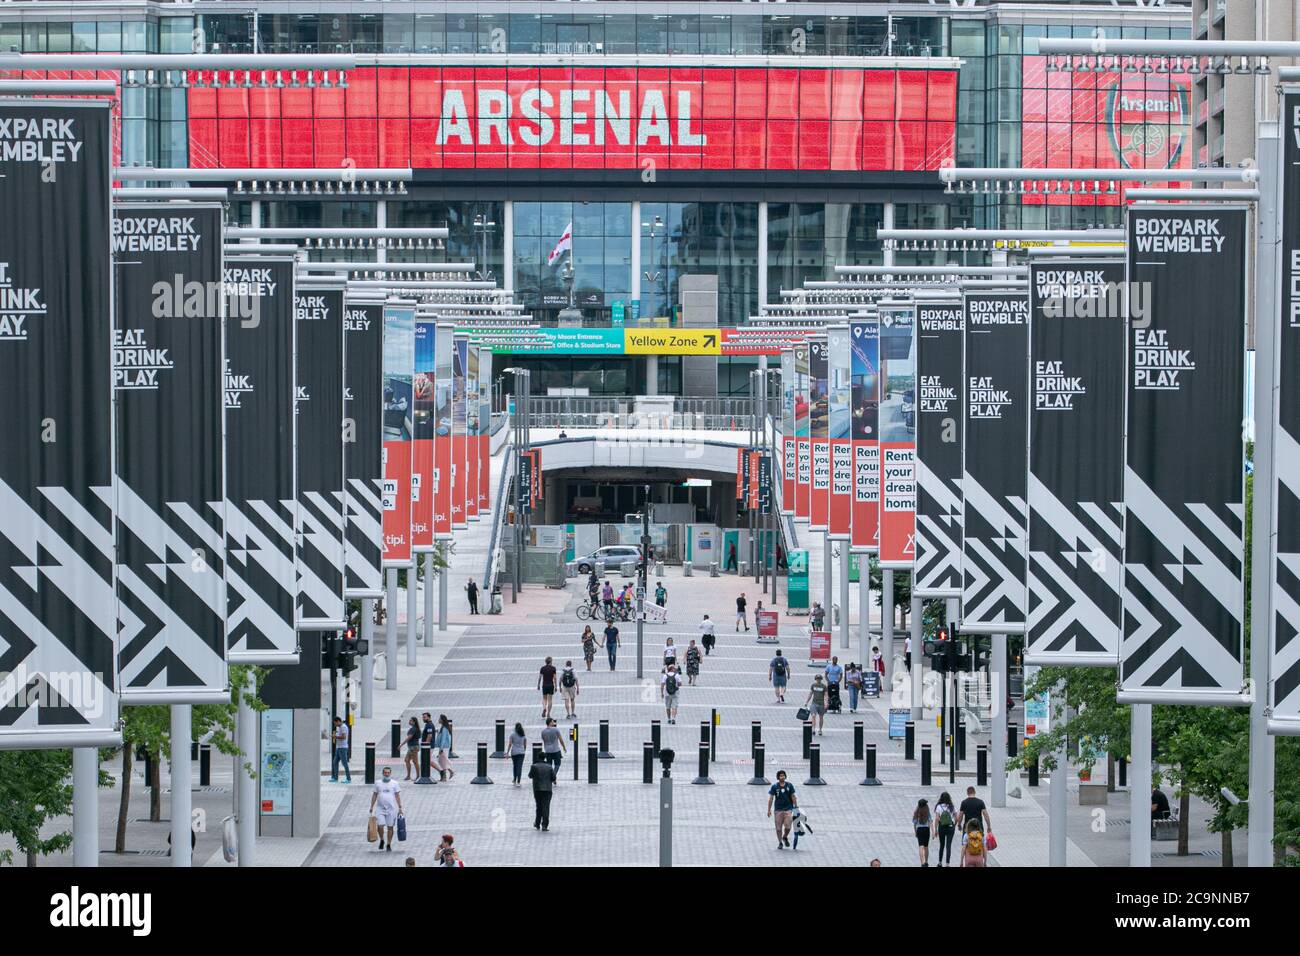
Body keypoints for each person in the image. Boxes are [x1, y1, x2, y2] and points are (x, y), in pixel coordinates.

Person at [368, 766, 403, 852]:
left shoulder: (395, 783)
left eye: (388, 773)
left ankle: (388, 844)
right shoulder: (378, 783)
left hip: (391, 809)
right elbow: (375, 794)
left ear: (390, 773)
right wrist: (371, 806)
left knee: (390, 827)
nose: (387, 774)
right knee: (380, 825)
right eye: (385, 773)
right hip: (380, 808)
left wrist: (400, 807)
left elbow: (397, 796)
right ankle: (382, 839)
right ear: (383, 773)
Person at [766, 770, 798, 850]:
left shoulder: (789, 786)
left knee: (788, 826)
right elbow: (771, 798)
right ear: (778, 777)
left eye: (783, 775)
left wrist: (796, 807)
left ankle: (785, 836)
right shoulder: (774, 787)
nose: (782, 777)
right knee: (778, 828)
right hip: (778, 810)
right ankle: (780, 842)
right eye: (780, 776)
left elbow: (793, 796)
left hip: (788, 809)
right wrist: (769, 810)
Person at [529, 754, 557, 831]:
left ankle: (537, 823)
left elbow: (530, 776)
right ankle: (544, 825)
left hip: (537, 789)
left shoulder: (534, 766)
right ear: (545, 758)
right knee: (546, 807)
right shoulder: (549, 766)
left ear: (538, 757)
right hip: (547, 789)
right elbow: (553, 778)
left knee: (539, 806)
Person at [934, 791, 958, 867]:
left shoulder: (938, 807)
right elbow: (956, 817)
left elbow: (937, 819)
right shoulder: (951, 806)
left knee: (942, 845)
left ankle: (940, 862)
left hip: (942, 827)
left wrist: (936, 830)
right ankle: (947, 863)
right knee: (948, 846)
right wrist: (954, 825)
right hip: (950, 827)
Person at [434, 714, 455, 782]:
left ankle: (445, 777)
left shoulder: (445, 728)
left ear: (442, 720)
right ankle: (450, 772)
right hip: (443, 747)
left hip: (444, 747)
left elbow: (443, 739)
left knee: (443, 761)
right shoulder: (443, 727)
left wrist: (441, 748)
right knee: (442, 761)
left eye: (439, 719)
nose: (438, 720)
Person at [330, 716, 351, 783]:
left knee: (344, 763)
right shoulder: (340, 728)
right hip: (339, 748)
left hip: (343, 748)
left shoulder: (343, 727)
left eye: (335, 723)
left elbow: (344, 737)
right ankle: (335, 778)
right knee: (335, 762)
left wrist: (335, 737)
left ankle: (348, 778)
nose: (335, 725)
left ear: (338, 721)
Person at [912, 798, 932, 867]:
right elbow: (930, 821)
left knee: (921, 846)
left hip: (919, 829)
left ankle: (922, 862)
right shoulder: (927, 811)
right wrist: (932, 830)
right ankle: (926, 861)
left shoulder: (916, 812)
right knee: (926, 846)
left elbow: (914, 823)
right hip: (926, 829)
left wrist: (915, 832)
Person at [508, 721, 528, 786]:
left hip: (514, 752)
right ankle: (519, 780)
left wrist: (507, 752)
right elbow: (525, 745)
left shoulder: (512, 735)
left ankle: (514, 778)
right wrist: (524, 750)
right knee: (520, 766)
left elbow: (510, 744)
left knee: (515, 766)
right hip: (521, 752)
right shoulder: (523, 735)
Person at [402, 716, 421, 781]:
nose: (409, 722)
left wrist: (401, 744)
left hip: (413, 747)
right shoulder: (415, 728)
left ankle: (418, 776)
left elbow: (409, 737)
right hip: (411, 747)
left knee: (415, 761)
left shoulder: (413, 729)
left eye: (410, 721)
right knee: (407, 760)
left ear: (414, 722)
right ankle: (408, 776)